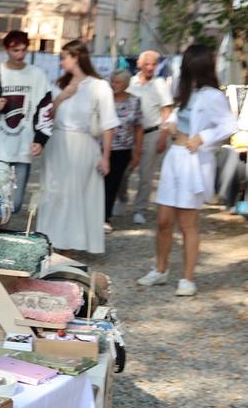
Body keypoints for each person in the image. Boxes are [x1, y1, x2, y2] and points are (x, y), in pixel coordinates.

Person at [137, 44, 237, 297]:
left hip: (194, 160)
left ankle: (188, 278)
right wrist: (169, 125)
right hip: (175, 158)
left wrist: (202, 137)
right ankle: (160, 270)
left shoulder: (213, 95)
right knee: (163, 221)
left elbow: (228, 125)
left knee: (188, 224)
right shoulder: (186, 91)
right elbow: (177, 116)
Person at [37, 39, 116, 254]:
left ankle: (67, 245)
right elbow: (45, 116)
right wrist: (62, 97)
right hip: (57, 144)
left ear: (76, 57)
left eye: (64, 57)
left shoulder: (99, 86)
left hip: (82, 146)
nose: (61, 62)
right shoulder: (58, 86)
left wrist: (106, 157)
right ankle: (49, 242)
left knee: (71, 195)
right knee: (52, 193)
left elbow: (109, 123)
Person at [0, 30, 53, 215]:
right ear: (6, 50)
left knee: (16, 203)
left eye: (23, 50)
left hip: (23, 144)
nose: (20, 55)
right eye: (15, 51)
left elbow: (45, 108)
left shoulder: (37, 75)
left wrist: (41, 139)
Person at [125, 48, 174, 224]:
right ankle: (122, 197)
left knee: (146, 175)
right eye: (147, 64)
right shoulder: (131, 82)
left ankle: (140, 208)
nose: (150, 67)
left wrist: (163, 136)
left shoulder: (160, 84)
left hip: (152, 132)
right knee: (124, 170)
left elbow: (166, 111)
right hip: (130, 134)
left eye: (153, 64)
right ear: (139, 64)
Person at [104, 68, 143, 226]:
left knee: (113, 183)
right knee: (99, 183)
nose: (114, 85)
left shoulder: (134, 101)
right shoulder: (105, 99)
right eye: (112, 81)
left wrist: (137, 151)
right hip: (102, 147)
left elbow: (138, 127)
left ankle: (105, 216)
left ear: (126, 83)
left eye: (118, 82)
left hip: (122, 149)